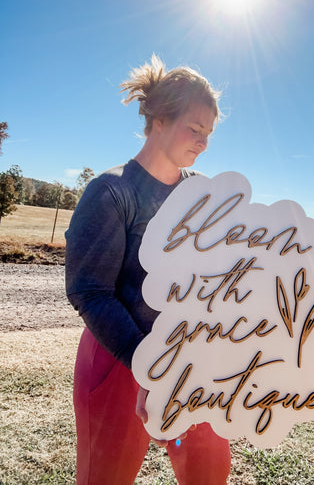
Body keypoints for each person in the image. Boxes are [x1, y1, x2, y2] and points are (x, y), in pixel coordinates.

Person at [65, 55, 231, 485]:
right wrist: (151, 369)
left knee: (208, 474)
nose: (203, 143)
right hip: (118, 360)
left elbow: (233, 269)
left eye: (209, 134)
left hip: (191, 362)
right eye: (195, 129)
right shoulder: (111, 191)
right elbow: (90, 291)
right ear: (158, 118)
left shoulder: (201, 194)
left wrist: (313, 287)